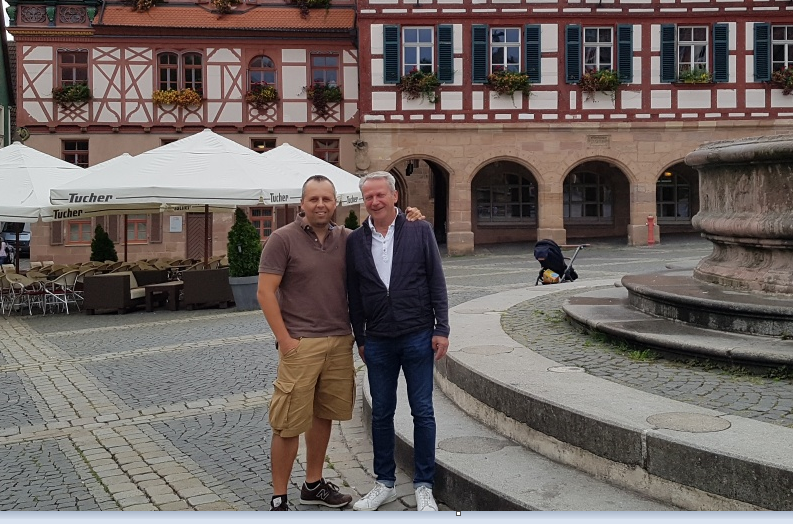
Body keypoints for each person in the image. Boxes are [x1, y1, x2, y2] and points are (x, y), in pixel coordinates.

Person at [257, 174, 423, 511]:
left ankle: (314, 484)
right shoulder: (281, 239)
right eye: (314, 199)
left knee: (324, 416)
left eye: (326, 199)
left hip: (338, 341)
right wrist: (285, 340)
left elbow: (385, 234)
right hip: (301, 343)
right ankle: (278, 497)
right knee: (288, 422)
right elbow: (265, 292)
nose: (320, 205)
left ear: (336, 204)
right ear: (301, 204)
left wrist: (412, 218)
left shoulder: (347, 239)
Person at [345, 171, 449, 512]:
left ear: (394, 197)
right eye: (369, 197)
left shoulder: (420, 230)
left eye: (380, 195)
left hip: (418, 333)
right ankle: (384, 483)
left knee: (422, 411)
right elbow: (355, 294)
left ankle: (423, 485)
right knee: (381, 414)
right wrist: (360, 337)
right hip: (377, 339)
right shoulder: (356, 241)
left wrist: (442, 328)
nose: (375, 201)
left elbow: (436, 279)